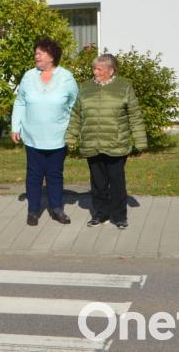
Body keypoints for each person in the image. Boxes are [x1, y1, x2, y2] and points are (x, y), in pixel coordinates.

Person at [65, 53, 147, 229]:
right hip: (91, 142)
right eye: (94, 68)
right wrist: (71, 136)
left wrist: (140, 140)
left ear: (111, 70)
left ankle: (119, 216)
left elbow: (135, 114)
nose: (95, 72)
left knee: (117, 182)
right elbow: (76, 115)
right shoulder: (85, 87)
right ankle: (100, 214)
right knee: (98, 182)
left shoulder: (123, 87)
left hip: (116, 142)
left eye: (99, 69)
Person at [11, 38, 78, 226]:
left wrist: (73, 131)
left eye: (41, 52)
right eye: (36, 52)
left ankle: (57, 209)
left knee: (55, 174)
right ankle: (33, 210)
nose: (36, 55)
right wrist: (15, 126)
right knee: (34, 174)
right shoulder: (29, 76)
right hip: (33, 136)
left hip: (58, 136)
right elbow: (20, 102)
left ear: (52, 56)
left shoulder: (66, 77)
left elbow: (75, 105)